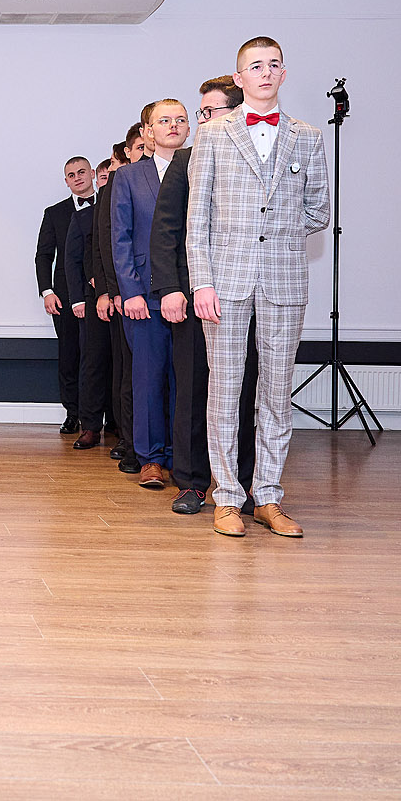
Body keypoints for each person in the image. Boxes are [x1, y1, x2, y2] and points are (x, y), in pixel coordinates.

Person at [188, 36, 330, 538]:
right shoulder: (213, 134)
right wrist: (202, 282)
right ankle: (227, 497)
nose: (265, 72)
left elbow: (319, 210)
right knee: (225, 390)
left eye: (274, 64)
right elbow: (197, 219)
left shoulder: (308, 136)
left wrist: (278, 234)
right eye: (256, 65)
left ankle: (267, 496)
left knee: (275, 392)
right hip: (224, 281)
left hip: (284, 280)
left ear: (283, 74)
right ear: (239, 76)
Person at [151, 76, 260, 516]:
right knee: (195, 391)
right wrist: (171, 289)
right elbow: (166, 231)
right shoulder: (185, 161)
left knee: (244, 392)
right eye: (202, 113)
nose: (201, 121)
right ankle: (193, 482)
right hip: (194, 297)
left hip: (245, 297)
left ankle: (242, 484)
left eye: (210, 112)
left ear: (237, 114)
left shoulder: (258, 161)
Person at [112, 100, 190, 490]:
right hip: (144, 295)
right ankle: (151, 459)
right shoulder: (128, 176)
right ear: (148, 131)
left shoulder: (201, 169)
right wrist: (130, 292)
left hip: (191, 295)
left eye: (181, 119)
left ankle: (183, 457)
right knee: (148, 379)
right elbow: (120, 238)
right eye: (164, 120)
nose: (173, 125)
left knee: (186, 381)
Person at [94, 130, 146, 474]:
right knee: (129, 372)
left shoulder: (177, 174)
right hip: (126, 293)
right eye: (139, 146)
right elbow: (107, 240)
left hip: (166, 293)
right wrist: (111, 290)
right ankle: (130, 441)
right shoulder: (117, 183)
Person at [35, 156, 94, 435]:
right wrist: (47, 291)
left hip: (102, 296)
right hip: (65, 297)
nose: (77, 177)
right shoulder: (54, 213)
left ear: (92, 173)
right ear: (66, 181)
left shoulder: (109, 206)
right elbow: (44, 255)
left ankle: (107, 417)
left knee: (102, 357)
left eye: (81, 172)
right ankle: (73, 413)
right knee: (69, 355)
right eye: (71, 175)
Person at [63, 158, 110, 451]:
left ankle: (120, 427)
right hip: (94, 300)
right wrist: (79, 298)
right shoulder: (81, 218)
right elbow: (73, 260)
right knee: (92, 362)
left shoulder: (128, 210)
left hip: (130, 297)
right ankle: (90, 425)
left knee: (123, 367)